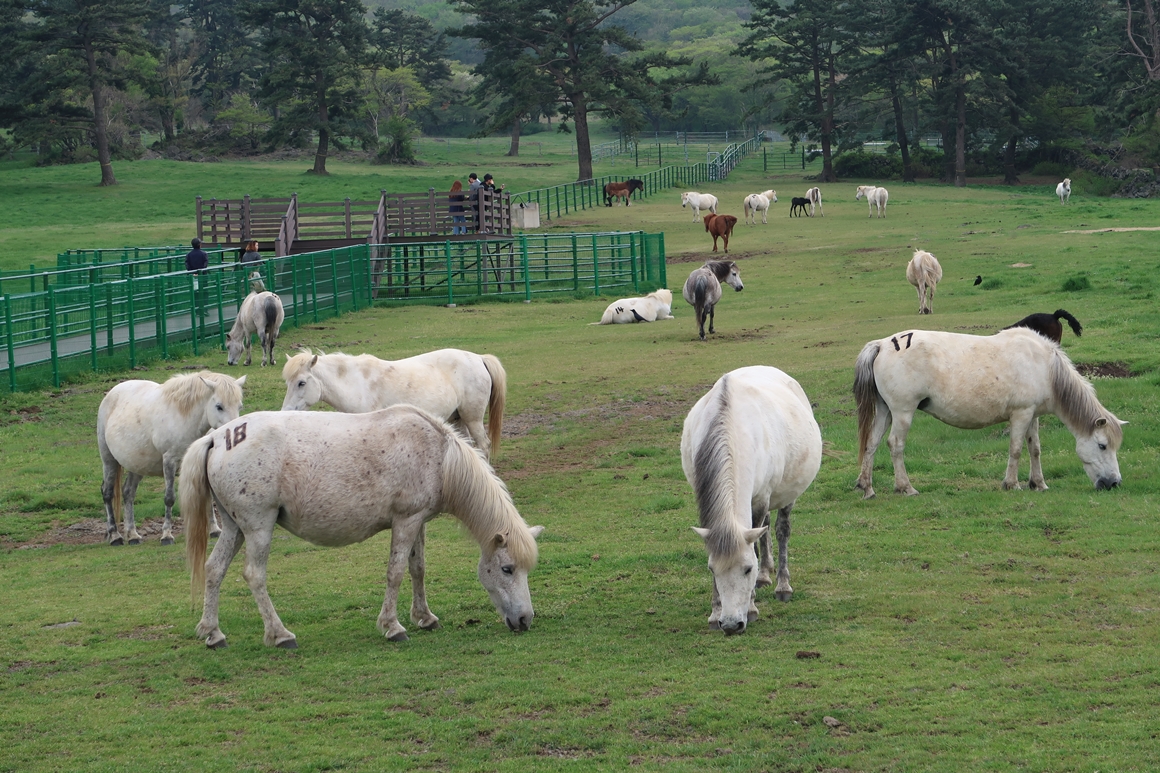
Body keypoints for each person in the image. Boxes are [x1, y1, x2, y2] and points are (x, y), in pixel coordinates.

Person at [185, 238, 209, 322]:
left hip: (193, 277)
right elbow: (205, 264)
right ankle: (205, 309)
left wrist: (193, 272)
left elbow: (187, 265)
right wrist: (200, 272)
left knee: (195, 293)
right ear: (199, 245)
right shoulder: (204, 254)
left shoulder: (189, 255)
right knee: (204, 292)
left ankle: (197, 310)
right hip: (202, 276)